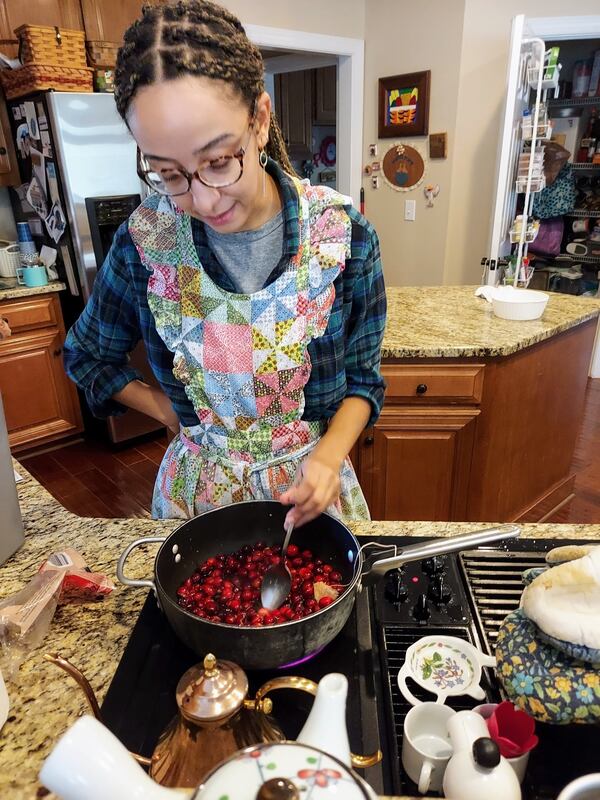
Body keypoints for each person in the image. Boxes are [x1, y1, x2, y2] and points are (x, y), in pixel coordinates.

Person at [63, 0, 386, 528]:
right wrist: (166, 409)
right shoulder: (145, 245)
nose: (205, 200)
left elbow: (364, 384)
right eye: (169, 174)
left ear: (259, 120)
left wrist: (329, 455)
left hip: (308, 501)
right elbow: (86, 355)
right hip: (196, 504)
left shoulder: (341, 238)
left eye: (217, 162)